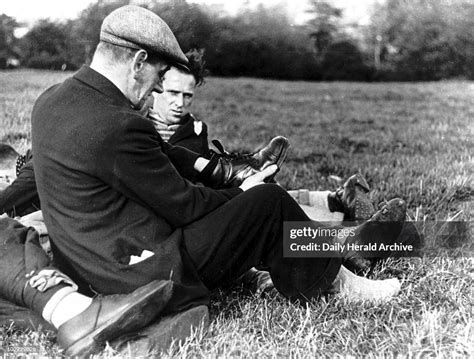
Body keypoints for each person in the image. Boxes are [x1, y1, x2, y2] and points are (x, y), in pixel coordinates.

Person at [2, 6, 406, 357]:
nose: (155, 91)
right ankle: (338, 279)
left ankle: (339, 243)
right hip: (136, 277)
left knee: (258, 207)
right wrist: (241, 192)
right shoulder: (119, 124)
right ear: (138, 60)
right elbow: (184, 206)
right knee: (267, 203)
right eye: (159, 76)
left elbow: (163, 168)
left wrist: (223, 178)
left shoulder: (50, 101)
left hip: (84, 266)